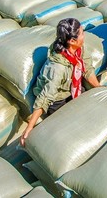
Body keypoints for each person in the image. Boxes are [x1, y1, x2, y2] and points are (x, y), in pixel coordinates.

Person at [19, 18, 101, 146]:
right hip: (56, 99)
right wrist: (29, 127)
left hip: (72, 88)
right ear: (72, 41)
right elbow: (45, 97)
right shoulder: (58, 68)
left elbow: (87, 69)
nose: (84, 36)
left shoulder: (78, 49)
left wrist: (99, 88)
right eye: (82, 33)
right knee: (70, 126)